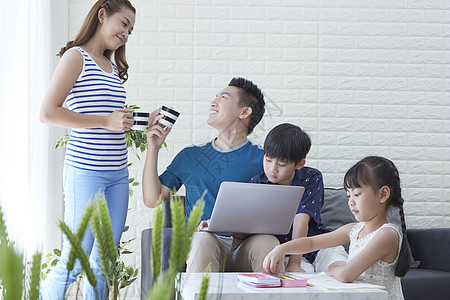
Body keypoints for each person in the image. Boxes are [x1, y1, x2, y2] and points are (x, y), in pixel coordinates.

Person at [39, 0, 138, 298]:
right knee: (75, 260)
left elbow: (107, 118)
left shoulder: (111, 66)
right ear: (102, 15)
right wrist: (107, 122)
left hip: (118, 174)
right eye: (124, 24)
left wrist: (130, 121)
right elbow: (48, 112)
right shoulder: (75, 57)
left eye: (131, 31)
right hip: (86, 172)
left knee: (104, 262)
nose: (126, 34)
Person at [142, 77, 278, 272]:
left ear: (244, 112)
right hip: (205, 243)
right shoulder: (190, 156)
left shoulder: (265, 160)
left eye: (223, 97)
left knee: (268, 242)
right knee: (202, 240)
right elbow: (152, 199)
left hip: (246, 247)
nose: (213, 102)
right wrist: (153, 148)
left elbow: (275, 212)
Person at [264, 156, 411, 300]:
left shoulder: (387, 234)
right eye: (348, 195)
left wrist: (333, 270)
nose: (351, 202)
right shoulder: (354, 230)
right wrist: (281, 249)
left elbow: (346, 274)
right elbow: (312, 243)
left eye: (357, 194)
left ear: (383, 194)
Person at [249, 123, 347, 273]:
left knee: (341, 268)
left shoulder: (311, 178)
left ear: (300, 164)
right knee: (301, 283)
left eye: (281, 164)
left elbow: (301, 219)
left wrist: (295, 264)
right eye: (268, 160)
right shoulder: (257, 183)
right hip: (283, 250)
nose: (272, 169)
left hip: (319, 245)